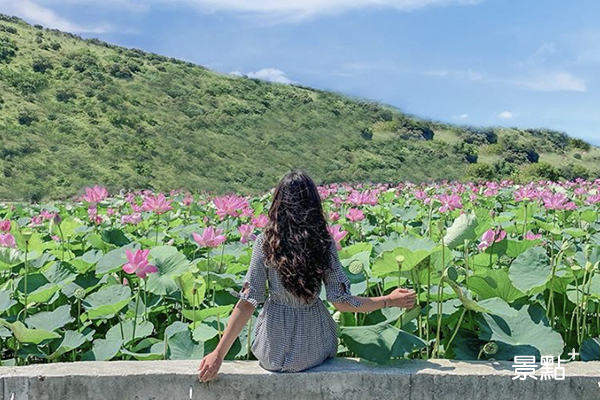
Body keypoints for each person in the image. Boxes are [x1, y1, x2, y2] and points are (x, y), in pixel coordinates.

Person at [197, 170, 416, 382]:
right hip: (314, 347)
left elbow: (247, 303)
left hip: (271, 351)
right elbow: (342, 302)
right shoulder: (323, 243)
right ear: (313, 205)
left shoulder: (264, 243)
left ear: (278, 204)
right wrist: (389, 300)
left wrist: (218, 354)